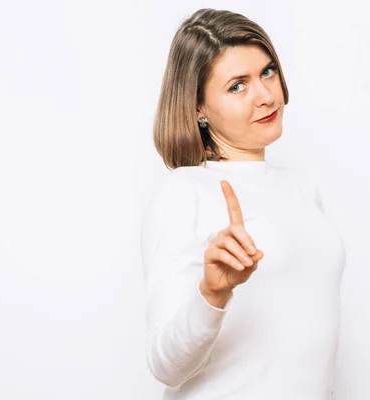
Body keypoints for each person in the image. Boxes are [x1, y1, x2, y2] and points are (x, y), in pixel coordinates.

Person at [139, 8, 346, 399]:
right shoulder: (185, 191)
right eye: (237, 86)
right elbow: (164, 367)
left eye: (267, 72)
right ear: (198, 107)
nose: (266, 96)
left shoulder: (301, 188)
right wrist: (212, 294)